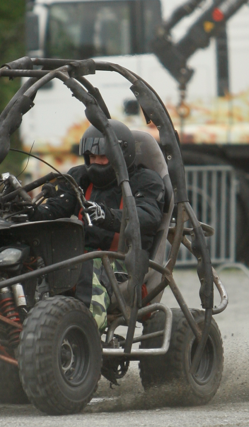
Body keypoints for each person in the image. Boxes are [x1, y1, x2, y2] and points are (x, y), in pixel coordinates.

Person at [30, 121, 165, 332]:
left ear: (122, 155)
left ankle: (87, 331)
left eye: (103, 157)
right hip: (81, 255)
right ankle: (21, 324)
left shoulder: (145, 180)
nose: (96, 163)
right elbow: (56, 208)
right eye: (92, 157)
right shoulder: (79, 177)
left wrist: (107, 215)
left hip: (125, 261)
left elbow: (148, 216)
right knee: (30, 259)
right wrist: (28, 210)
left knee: (87, 264)